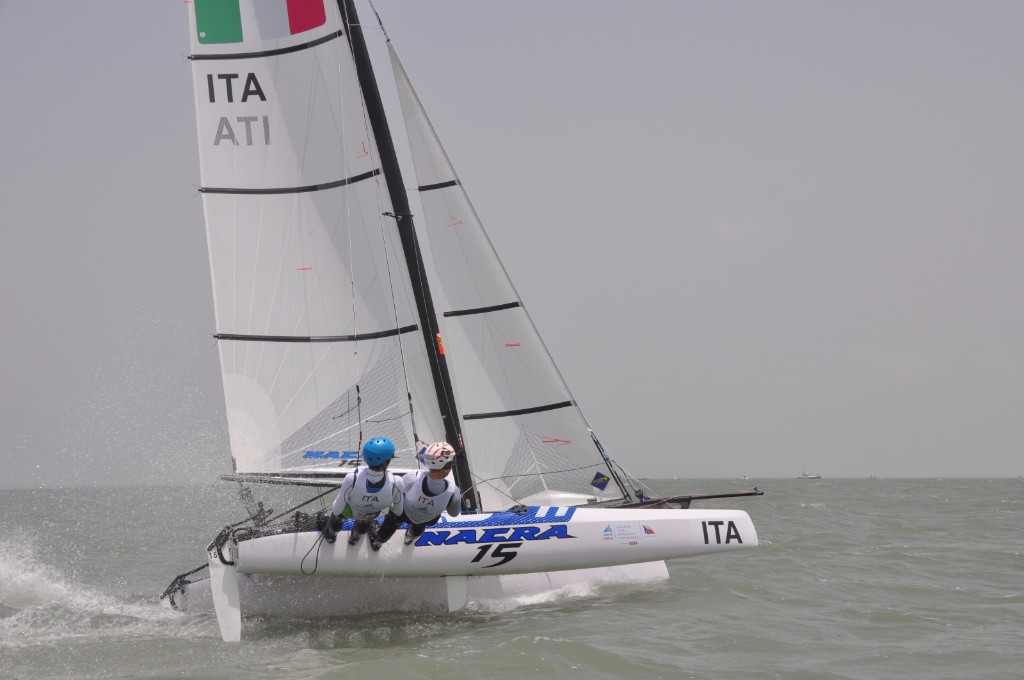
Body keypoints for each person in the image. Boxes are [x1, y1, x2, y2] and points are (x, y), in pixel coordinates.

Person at [371, 441, 462, 550]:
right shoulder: (454, 491)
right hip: (427, 520)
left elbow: (392, 494)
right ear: (447, 465)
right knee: (420, 524)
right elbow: (453, 513)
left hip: (403, 514)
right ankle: (410, 537)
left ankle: (378, 542)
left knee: (392, 521)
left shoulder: (412, 477)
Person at [321, 437, 403, 546]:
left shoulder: (352, 478)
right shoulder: (397, 482)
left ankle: (331, 536)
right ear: (385, 462)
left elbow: (336, 510)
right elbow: (398, 512)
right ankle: (354, 539)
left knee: (338, 516)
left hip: (350, 512)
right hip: (370, 515)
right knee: (366, 519)